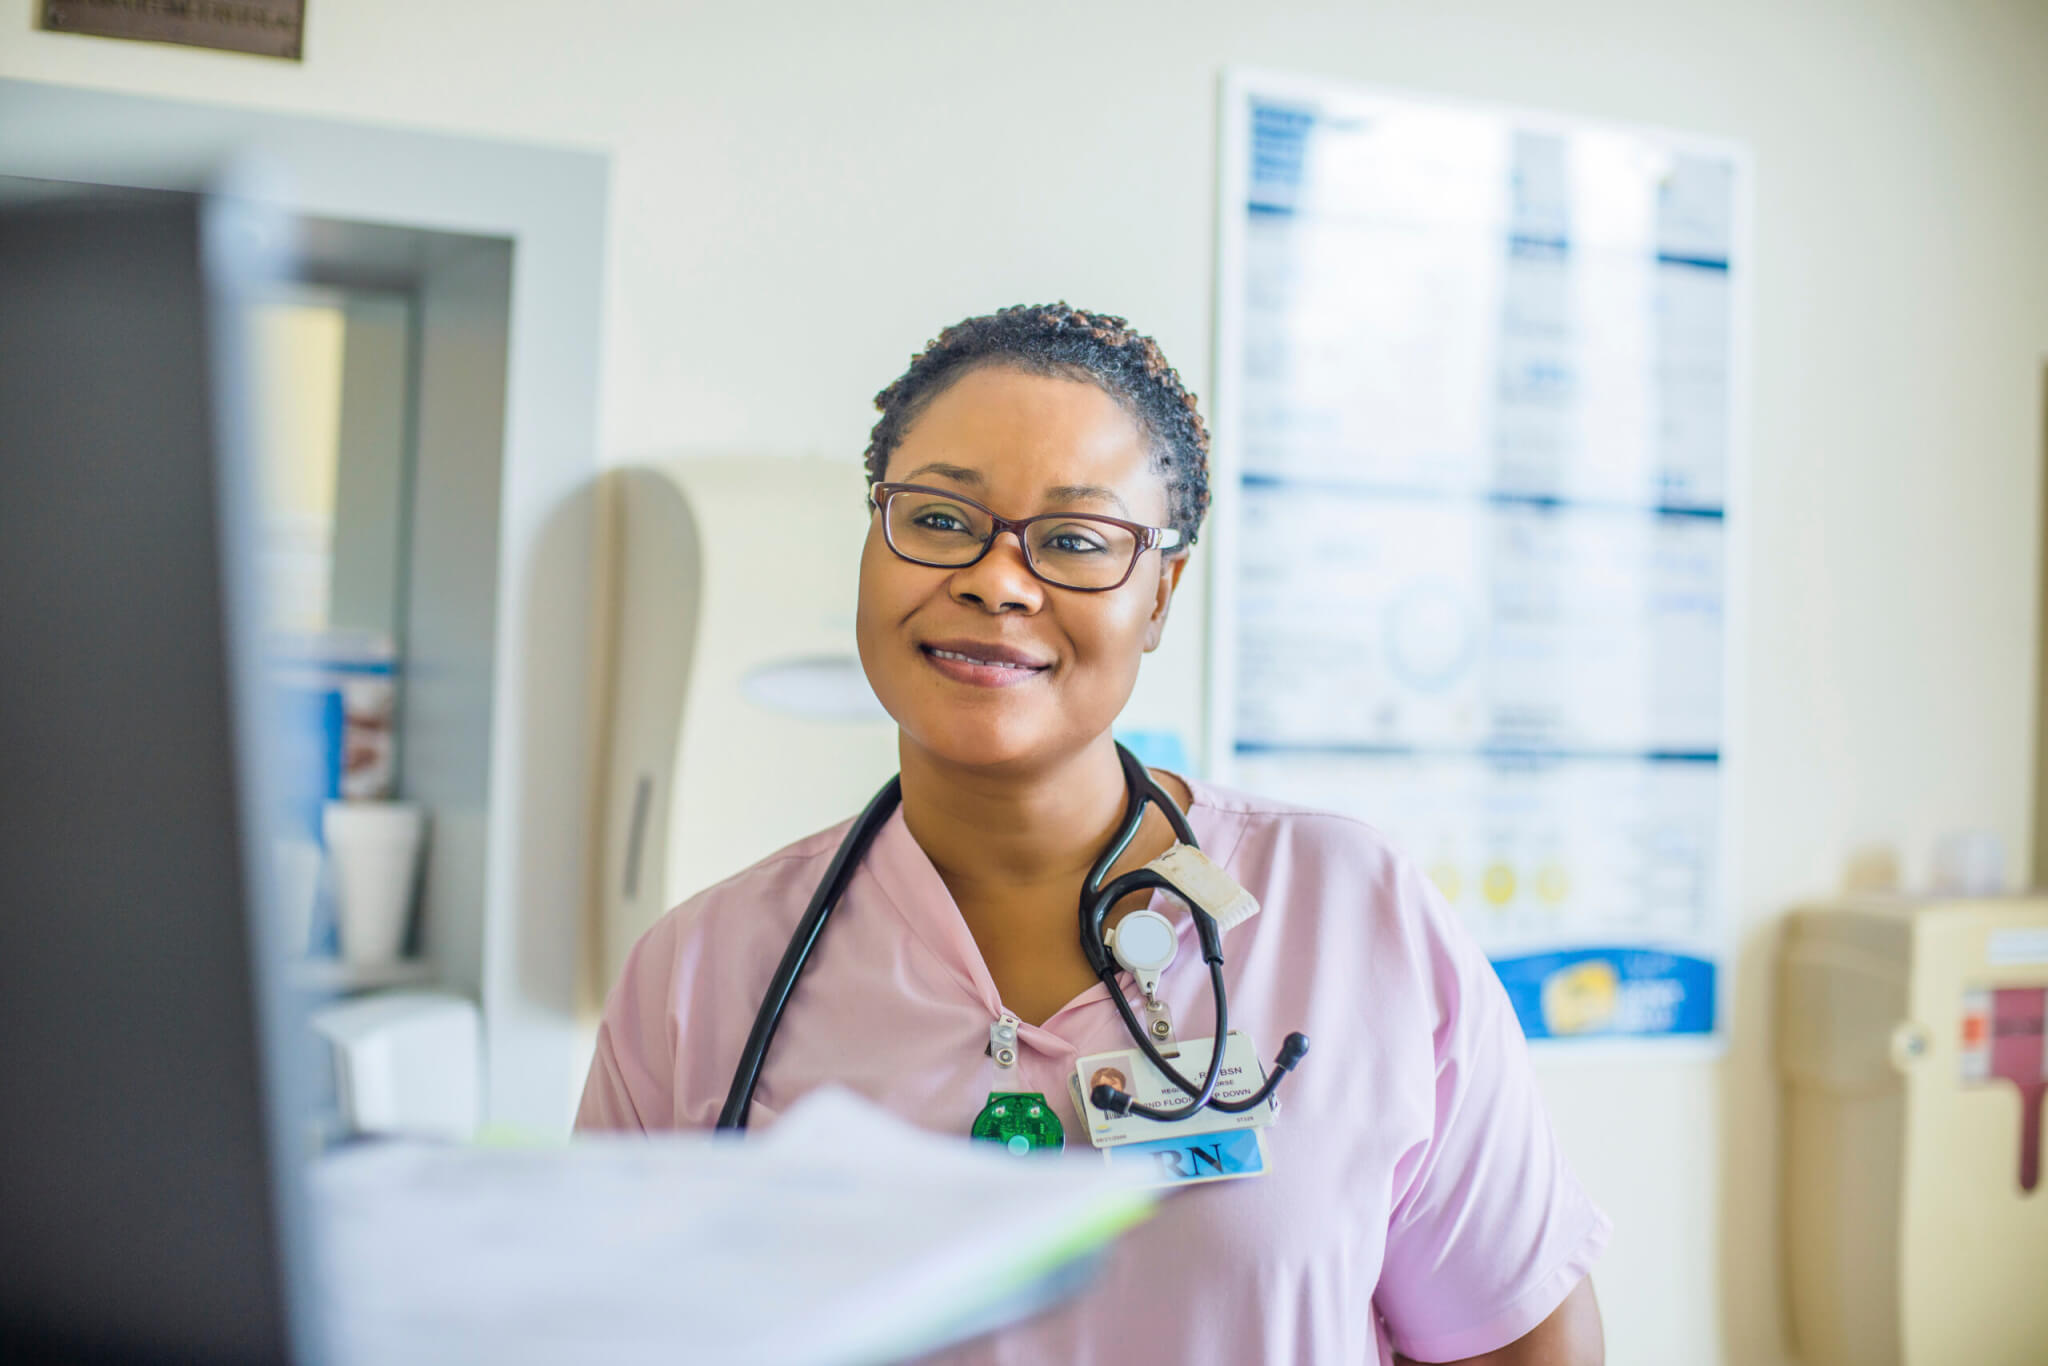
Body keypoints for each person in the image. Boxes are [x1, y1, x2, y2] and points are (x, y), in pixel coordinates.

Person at [578, 303, 1609, 1365]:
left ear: (1159, 592)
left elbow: (1522, 1346)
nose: (994, 578)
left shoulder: (1351, 913)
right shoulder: (697, 977)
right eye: (936, 519)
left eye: (1074, 540)